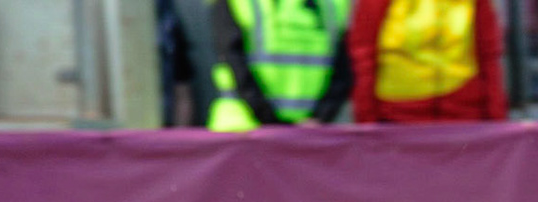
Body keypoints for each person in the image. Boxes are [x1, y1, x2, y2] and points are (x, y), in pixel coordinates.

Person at [347, 0, 507, 125]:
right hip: (396, 120)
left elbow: (489, 55)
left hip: (465, 119)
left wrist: (496, 121)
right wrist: (367, 123)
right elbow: (364, 55)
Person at [205, 0, 354, 131]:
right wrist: (274, 121)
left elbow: (343, 69)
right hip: (244, 127)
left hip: (306, 133)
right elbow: (234, 61)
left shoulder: (333, 4)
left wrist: (319, 118)